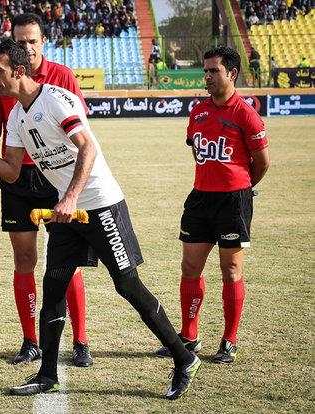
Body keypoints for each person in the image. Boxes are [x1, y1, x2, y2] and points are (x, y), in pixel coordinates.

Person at [0, 38, 201, 400]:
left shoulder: (54, 99)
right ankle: (47, 373)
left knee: (127, 284)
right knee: (54, 286)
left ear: (19, 71)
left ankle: (183, 356)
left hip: (100, 203)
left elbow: (88, 147)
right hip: (69, 212)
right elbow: (13, 173)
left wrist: (69, 196)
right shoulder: (16, 114)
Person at [0, 13, 92, 367]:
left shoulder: (62, 77)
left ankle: (81, 340)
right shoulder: (0, 76)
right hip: (17, 180)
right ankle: (30, 340)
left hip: (56, 178)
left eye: (33, 41)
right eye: (21, 41)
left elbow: (81, 131)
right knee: (24, 260)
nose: (27, 47)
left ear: (43, 42)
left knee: (69, 263)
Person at [155, 46, 270, 364]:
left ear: (232, 73)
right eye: (205, 70)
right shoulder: (199, 111)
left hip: (233, 201)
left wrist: (242, 189)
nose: (206, 76)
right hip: (200, 198)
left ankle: (229, 341)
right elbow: (196, 149)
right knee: (190, 267)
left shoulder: (245, 114)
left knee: (231, 269)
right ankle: (189, 337)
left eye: (213, 71)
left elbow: (261, 163)